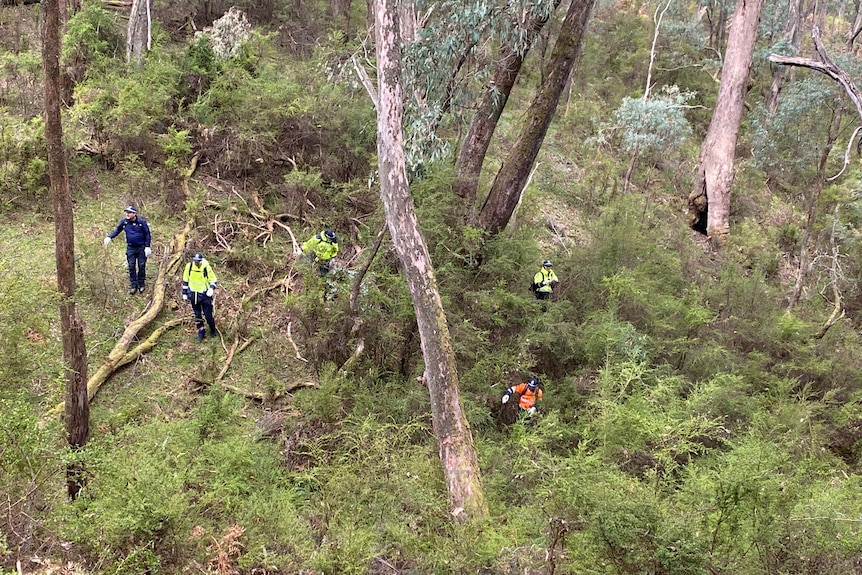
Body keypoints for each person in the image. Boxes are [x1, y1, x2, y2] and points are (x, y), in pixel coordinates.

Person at [104, 205, 152, 294]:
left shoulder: (141, 222)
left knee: (141, 265)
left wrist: (147, 246)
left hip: (141, 247)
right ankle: (134, 285)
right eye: (127, 212)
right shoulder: (124, 222)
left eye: (129, 212)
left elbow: (147, 234)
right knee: (131, 266)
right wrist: (110, 237)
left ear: (134, 213)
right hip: (131, 247)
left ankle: (141, 284)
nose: (128, 214)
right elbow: (118, 230)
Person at [182, 252, 218, 342]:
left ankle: (213, 329)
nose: (197, 263)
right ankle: (201, 333)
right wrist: (184, 293)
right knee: (197, 315)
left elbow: (213, 279)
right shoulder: (189, 267)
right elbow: (185, 280)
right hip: (194, 295)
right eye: (195, 261)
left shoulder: (206, 267)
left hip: (205, 295)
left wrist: (211, 289)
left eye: (198, 262)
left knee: (208, 315)